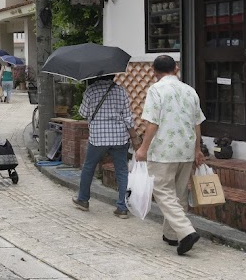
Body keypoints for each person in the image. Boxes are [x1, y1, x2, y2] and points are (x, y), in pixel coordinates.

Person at [134, 54, 206, 256]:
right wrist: (197, 149)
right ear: (176, 69)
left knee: (163, 192)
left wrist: (143, 148)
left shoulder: (156, 90)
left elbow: (153, 122)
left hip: (164, 150)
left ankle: (185, 231)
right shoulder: (190, 91)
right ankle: (172, 235)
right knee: (180, 193)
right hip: (186, 149)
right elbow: (197, 123)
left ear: (154, 72)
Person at [72, 75, 137, 218]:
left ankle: (83, 200)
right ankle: (122, 207)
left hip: (98, 138)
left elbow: (82, 113)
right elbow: (127, 116)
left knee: (89, 167)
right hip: (119, 137)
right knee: (121, 170)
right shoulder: (121, 91)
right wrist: (134, 136)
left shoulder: (91, 90)